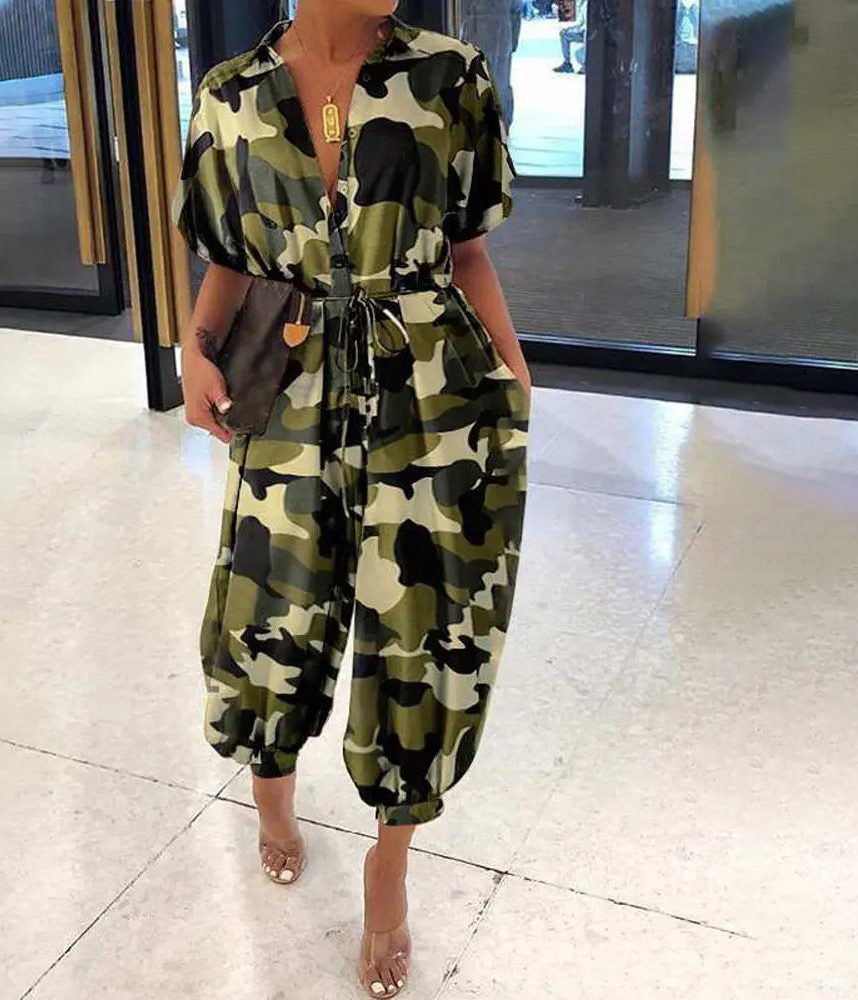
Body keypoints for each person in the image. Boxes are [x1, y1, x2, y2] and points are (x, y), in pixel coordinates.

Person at [172, 2, 530, 996]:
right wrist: (193, 349)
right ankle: (271, 793)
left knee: (426, 628)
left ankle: (389, 866)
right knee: (269, 605)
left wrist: (514, 378)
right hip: (285, 390)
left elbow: (467, 250)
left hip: (431, 393)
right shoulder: (231, 95)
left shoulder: (450, 75)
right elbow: (229, 257)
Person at [460, 0, 523, 128]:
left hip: (484, 34)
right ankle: (499, 124)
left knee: (490, 83)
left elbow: (465, 11)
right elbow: (516, 11)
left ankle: (492, 124)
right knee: (499, 83)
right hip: (497, 34)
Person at [554, 0, 587, 73]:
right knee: (564, 34)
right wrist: (568, 28)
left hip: (592, 33)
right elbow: (580, 22)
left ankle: (586, 65)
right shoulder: (583, 4)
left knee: (587, 33)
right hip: (582, 31)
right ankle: (567, 63)